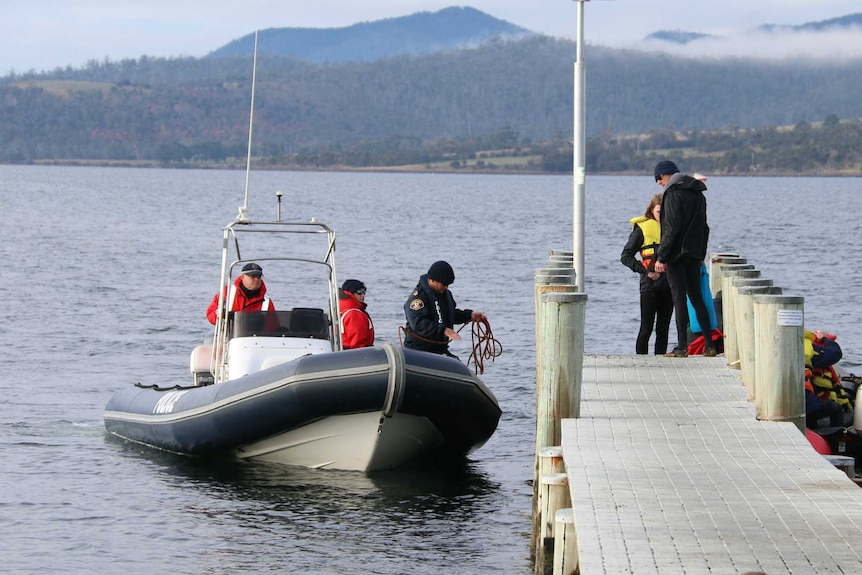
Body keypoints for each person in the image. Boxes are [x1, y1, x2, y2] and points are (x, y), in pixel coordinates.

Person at [651, 160, 717, 358]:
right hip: (694, 254)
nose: (658, 183)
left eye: (659, 178)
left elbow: (672, 229)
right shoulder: (698, 194)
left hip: (676, 255)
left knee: (679, 299)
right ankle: (709, 345)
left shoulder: (672, 195)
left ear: (667, 175)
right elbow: (704, 228)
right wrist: (701, 255)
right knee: (696, 298)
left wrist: (661, 257)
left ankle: (682, 347)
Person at [621, 193, 674, 355]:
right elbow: (626, 257)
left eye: (665, 211)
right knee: (646, 327)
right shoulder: (642, 229)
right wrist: (645, 271)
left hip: (669, 283)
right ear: (651, 211)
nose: (662, 215)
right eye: (659, 211)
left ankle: (660, 362)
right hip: (649, 284)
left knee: (663, 328)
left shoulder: (672, 229)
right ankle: (641, 361)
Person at [402, 260, 487, 357]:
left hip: (439, 349)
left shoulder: (445, 294)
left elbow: (450, 315)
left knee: (457, 367)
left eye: (448, 284)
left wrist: (470, 315)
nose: (446, 287)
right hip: (417, 349)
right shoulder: (418, 298)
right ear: (432, 280)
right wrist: (443, 330)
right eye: (444, 284)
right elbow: (418, 324)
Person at [206, 262, 275, 325]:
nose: (256, 279)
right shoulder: (227, 293)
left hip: (254, 337)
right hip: (228, 336)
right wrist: (221, 316)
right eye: (253, 276)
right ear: (243, 277)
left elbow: (273, 326)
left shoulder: (267, 302)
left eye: (258, 277)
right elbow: (210, 314)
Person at [339, 279, 375, 349]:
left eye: (364, 292)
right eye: (359, 292)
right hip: (357, 354)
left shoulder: (341, 310)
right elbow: (358, 342)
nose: (363, 295)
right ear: (350, 293)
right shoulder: (354, 314)